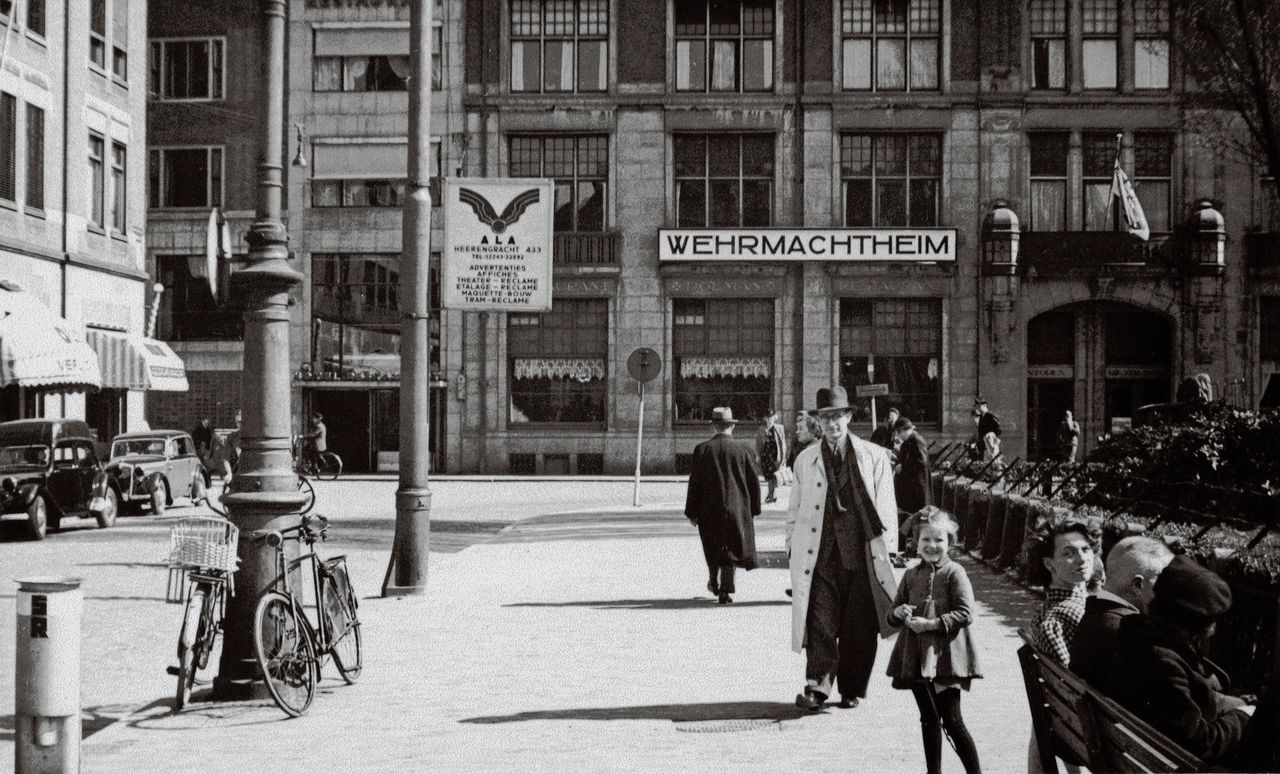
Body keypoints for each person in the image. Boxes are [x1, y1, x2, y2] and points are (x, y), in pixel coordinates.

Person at [787, 386, 899, 711]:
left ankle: (851, 688)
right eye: (826, 418)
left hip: (863, 555)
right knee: (820, 621)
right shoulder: (805, 460)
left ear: (849, 417)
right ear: (817, 422)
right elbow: (793, 511)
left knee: (858, 627)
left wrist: (888, 551)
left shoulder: (874, 456)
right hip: (820, 555)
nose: (832, 424)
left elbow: (887, 508)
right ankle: (816, 687)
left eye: (838, 416)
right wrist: (791, 547)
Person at [1109, 556, 1278, 770]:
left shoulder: (1132, 632)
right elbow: (1202, 743)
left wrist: (1228, 704)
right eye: (1212, 621)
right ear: (1195, 625)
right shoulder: (1163, 662)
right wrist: (1243, 717)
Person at [886, 507, 983, 774]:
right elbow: (891, 614)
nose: (932, 545)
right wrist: (898, 612)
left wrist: (931, 624)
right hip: (917, 656)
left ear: (949, 543)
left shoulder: (955, 573)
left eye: (939, 540)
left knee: (952, 720)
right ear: (915, 544)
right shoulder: (910, 575)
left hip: (947, 659)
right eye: (925, 539)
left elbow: (966, 613)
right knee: (928, 718)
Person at [1069, 536, 1174, 689]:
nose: (1167, 592)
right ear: (1137, 585)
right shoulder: (1128, 632)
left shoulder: (1093, 613)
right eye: (1162, 583)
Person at [684, 406, 762, 605]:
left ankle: (714, 581)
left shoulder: (702, 450)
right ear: (731, 427)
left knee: (712, 546)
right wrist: (754, 508)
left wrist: (692, 512)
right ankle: (725, 588)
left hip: (709, 509)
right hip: (737, 507)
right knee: (731, 546)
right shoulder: (744, 450)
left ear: (714, 427)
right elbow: (754, 482)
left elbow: (695, 484)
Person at [893, 416, 931, 550]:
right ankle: (911, 544)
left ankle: (917, 546)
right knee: (910, 516)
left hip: (917, 488)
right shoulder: (906, 443)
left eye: (898, 432)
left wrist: (904, 467)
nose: (898, 436)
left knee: (918, 517)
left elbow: (921, 461)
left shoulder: (917, 440)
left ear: (904, 430)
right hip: (909, 488)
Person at [756, 410, 787, 504]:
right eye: (768, 418)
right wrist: (757, 455)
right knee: (769, 476)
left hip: (775, 456)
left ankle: (771, 495)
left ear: (774, 418)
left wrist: (784, 457)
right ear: (766, 419)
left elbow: (783, 443)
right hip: (765, 456)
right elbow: (758, 443)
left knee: (772, 476)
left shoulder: (779, 428)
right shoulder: (762, 429)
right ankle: (771, 495)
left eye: (771, 418)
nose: (770, 420)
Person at [219, 411, 242, 484]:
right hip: (235, 474)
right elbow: (225, 458)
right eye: (238, 422)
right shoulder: (231, 437)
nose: (240, 425)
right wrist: (229, 473)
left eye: (242, 422)